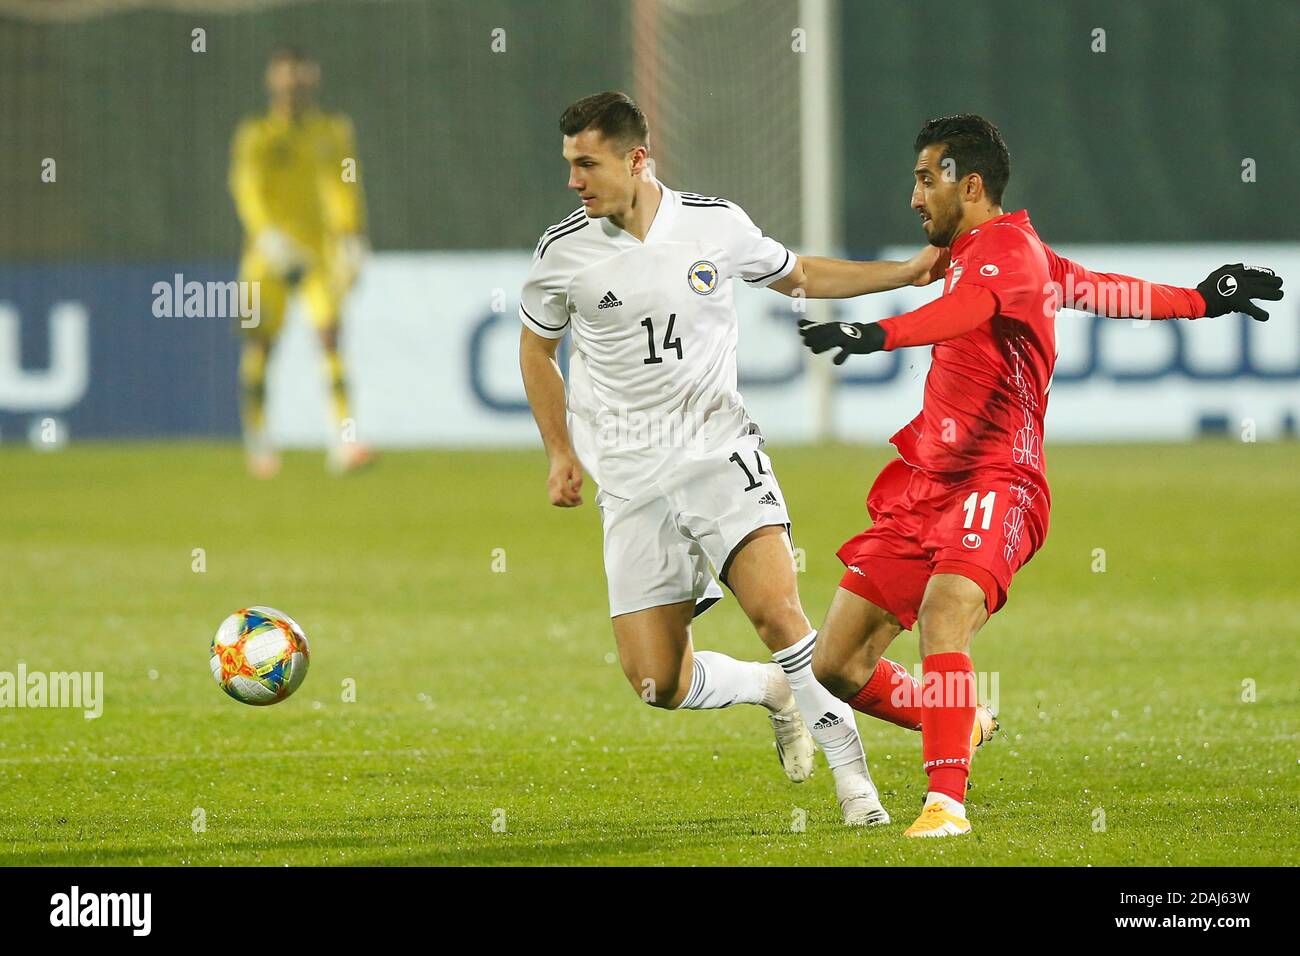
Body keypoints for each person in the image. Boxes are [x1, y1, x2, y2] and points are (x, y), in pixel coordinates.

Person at [797, 113, 1284, 837]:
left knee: (944, 613)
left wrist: (877, 333)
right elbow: (1105, 289)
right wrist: (1202, 299)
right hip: (928, 485)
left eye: (926, 180)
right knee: (835, 665)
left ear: (970, 184)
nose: (914, 198)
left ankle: (946, 806)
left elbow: (964, 311)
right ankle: (963, 720)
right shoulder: (1004, 253)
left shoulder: (1004, 255)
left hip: (1000, 479)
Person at [518, 91, 985, 825]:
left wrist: (902, 274)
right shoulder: (560, 253)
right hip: (631, 478)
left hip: (717, 447)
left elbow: (800, 276)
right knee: (656, 683)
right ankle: (770, 691)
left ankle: (854, 782)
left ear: (637, 160)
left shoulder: (713, 224)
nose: (575, 181)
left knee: (777, 610)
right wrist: (559, 451)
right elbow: (537, 350)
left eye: (588, 163)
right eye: (569, 165)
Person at [229, 47, 373, 477]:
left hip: (318, 254)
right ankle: (259, 439)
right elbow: (247, 189)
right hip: (266, 257)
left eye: (299, 78)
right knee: (261, 346)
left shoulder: (332, 130)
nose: (292, 86)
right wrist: (268, 235)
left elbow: (345, 184)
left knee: (330, 337)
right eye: (285, 78)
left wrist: (351, 236)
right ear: (273, 82)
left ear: (311, 79)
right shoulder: (256, 135)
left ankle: (345, 441)